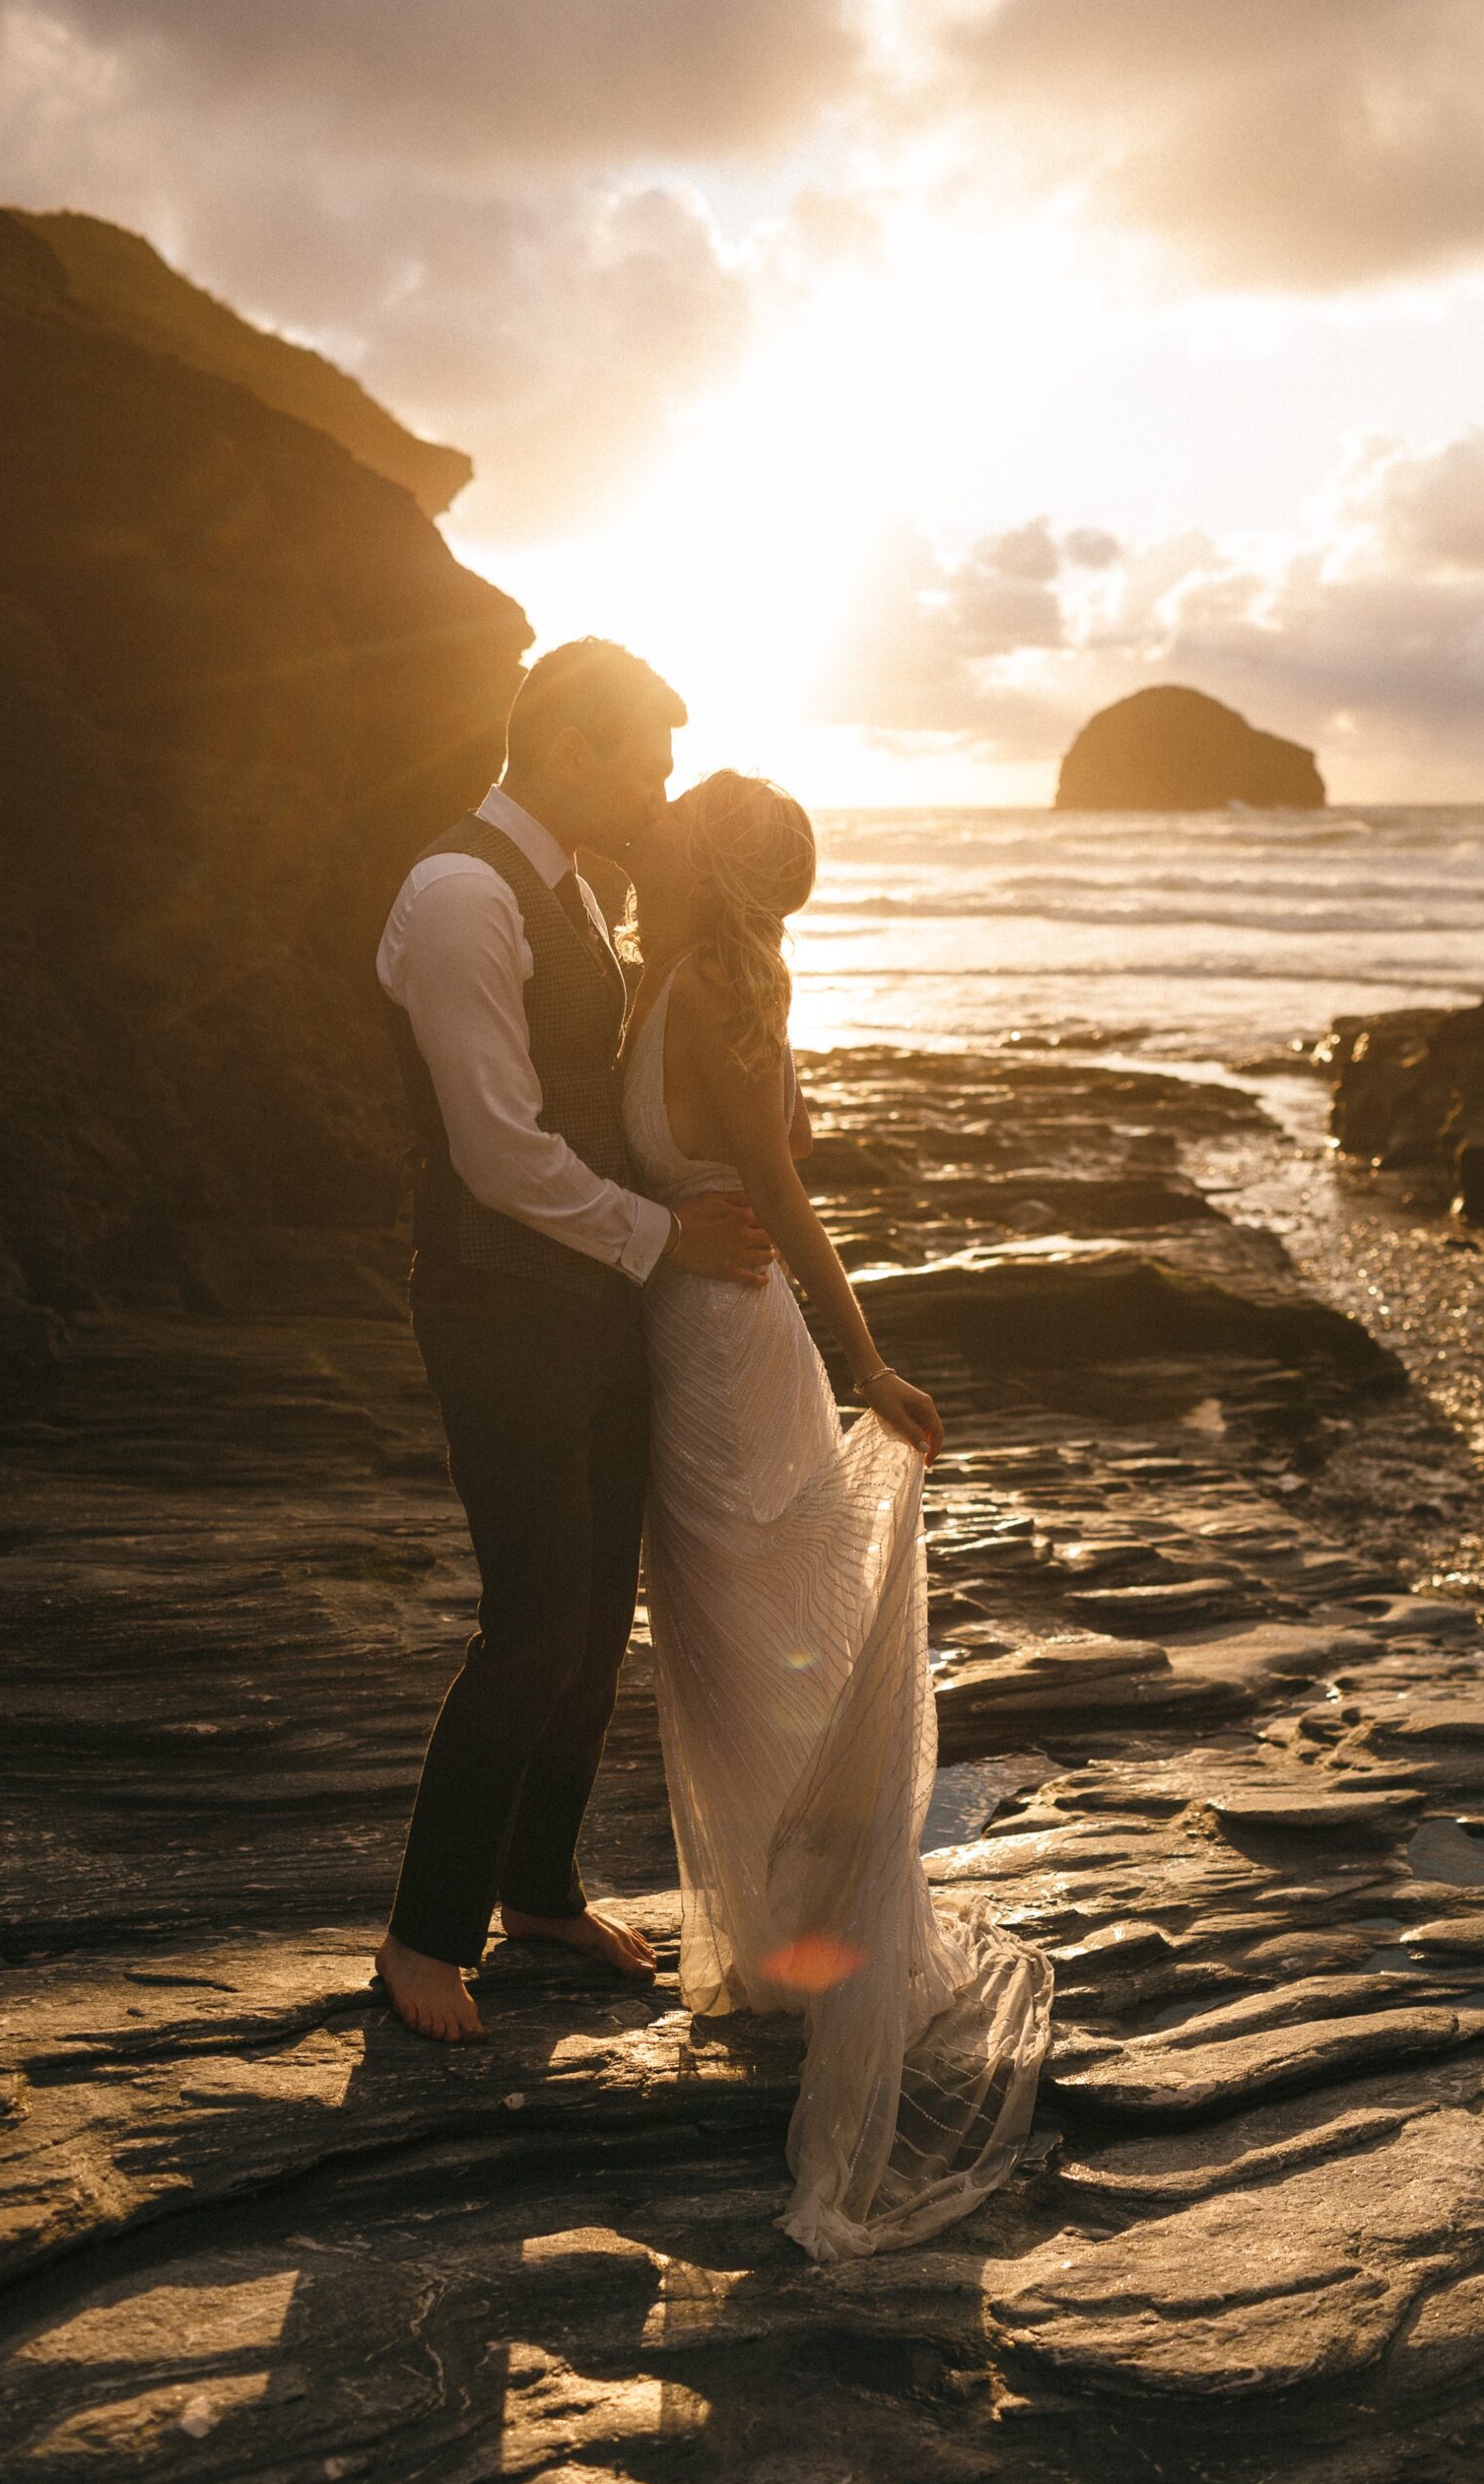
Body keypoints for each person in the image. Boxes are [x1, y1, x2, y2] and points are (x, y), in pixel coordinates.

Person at [620, 769, 1052, 2260]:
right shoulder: (663, 972)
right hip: (687, 1344)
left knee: (764, 1653)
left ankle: (828, 1952)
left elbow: (787, 1198)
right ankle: (786, 1942)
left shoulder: (709, 987)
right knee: (731, 1656)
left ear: (713, 860)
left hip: (735, 1363)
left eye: (690, 803)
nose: (659, 807)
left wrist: (868, 1359)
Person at [373, 642, 773, 2045]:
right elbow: (495, 1150)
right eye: (644, 763)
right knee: (535, 1621)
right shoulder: (463, 893)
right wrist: (665, 1240)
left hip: (594, 1298)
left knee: (601, 1621)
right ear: (567, 744)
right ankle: (425, 1935)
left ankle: (536, 1888)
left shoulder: (573, 889)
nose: (656, 792)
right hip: (499, 1305)